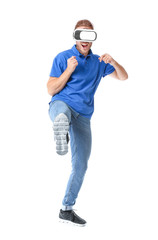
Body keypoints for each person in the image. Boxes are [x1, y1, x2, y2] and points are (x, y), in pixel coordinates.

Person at [47, 19, 128, 226]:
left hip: (83, 116)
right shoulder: (63, 57)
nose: (86, 40)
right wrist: (68, 70)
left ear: (92, 39)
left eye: (89, 35)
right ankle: (61, 128)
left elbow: (123, 77)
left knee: (81, 165)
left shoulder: (98, 62)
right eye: (82, 35)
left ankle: (66, 209)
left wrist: (114, 62)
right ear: (75, 36)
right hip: (62, 104)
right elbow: (51, 89)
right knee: (61, 114)